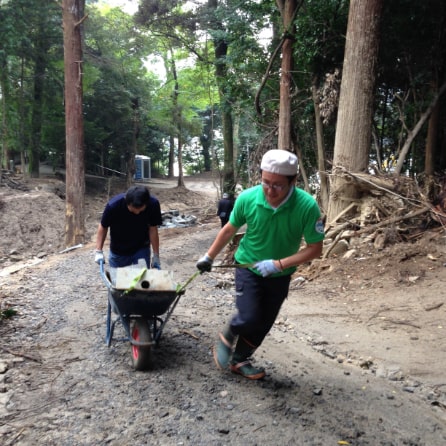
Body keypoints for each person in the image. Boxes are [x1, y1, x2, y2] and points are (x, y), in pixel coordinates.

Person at [196, 149, 325, 380]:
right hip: (248, 267)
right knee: (248, 316)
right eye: (266, 182)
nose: (270, 190)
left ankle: (240, 360)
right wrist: (209, 256)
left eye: (278, 185)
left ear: (293, 181)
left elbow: (315, 249)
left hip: (279, 275)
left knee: (264, 323)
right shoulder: (248, 198)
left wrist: (279, 264)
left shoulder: (307, 206)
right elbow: (229, 229)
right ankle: (228, 333)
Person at [94, 185, 162, 269]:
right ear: (127, 202)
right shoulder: (113, 206)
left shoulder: (153, 204)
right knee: (118, 280)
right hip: (118, 250)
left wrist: (156, 255)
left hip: (141, 247)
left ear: (146, 203)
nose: (137, 212)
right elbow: (103, 226)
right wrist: (99, 251)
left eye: (140, 209)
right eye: (133, 209)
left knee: (142, 279)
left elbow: (153, 229)